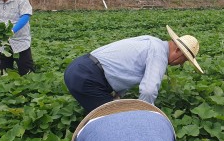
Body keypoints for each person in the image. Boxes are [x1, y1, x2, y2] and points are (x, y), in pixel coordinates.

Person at [64, 25, 203, 113]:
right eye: (183, 61)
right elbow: (149, 90)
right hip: (87, 77)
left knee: (104, 113)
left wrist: (117, 97)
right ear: (178, 51)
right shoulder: (159, 53)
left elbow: (125, 70)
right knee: (112, 120)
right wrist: (143, 116)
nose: (179, 65)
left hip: (78, 68)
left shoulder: (151, 41)